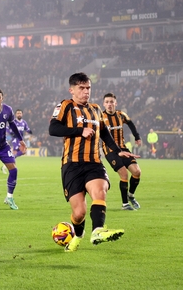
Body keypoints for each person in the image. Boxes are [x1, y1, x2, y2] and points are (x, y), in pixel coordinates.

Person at [49, 72, 137, 252]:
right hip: (71, 165)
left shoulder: (96, 109)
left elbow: (104, 133)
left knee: (100, 191)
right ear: (71, 90)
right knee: (79, 212)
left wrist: (119, 151)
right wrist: (79, 131)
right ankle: (77, 236)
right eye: (81, 88)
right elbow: (53, 128)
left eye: (88, 88)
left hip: (94, 163)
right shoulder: (66, 106)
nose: (85, 92)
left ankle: (97, 230)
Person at [100, 93, 143, 211]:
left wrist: (137, 137)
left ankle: (131, 195)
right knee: (124, 174)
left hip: (123, 148)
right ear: (104, 104)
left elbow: (131, 123)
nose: (109, 104)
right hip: (110, 151)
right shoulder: (100, 117)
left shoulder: (121, 115)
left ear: (115, 103)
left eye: (111, 102)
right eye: (107, 102)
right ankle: (125, 204)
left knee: (137, 172)